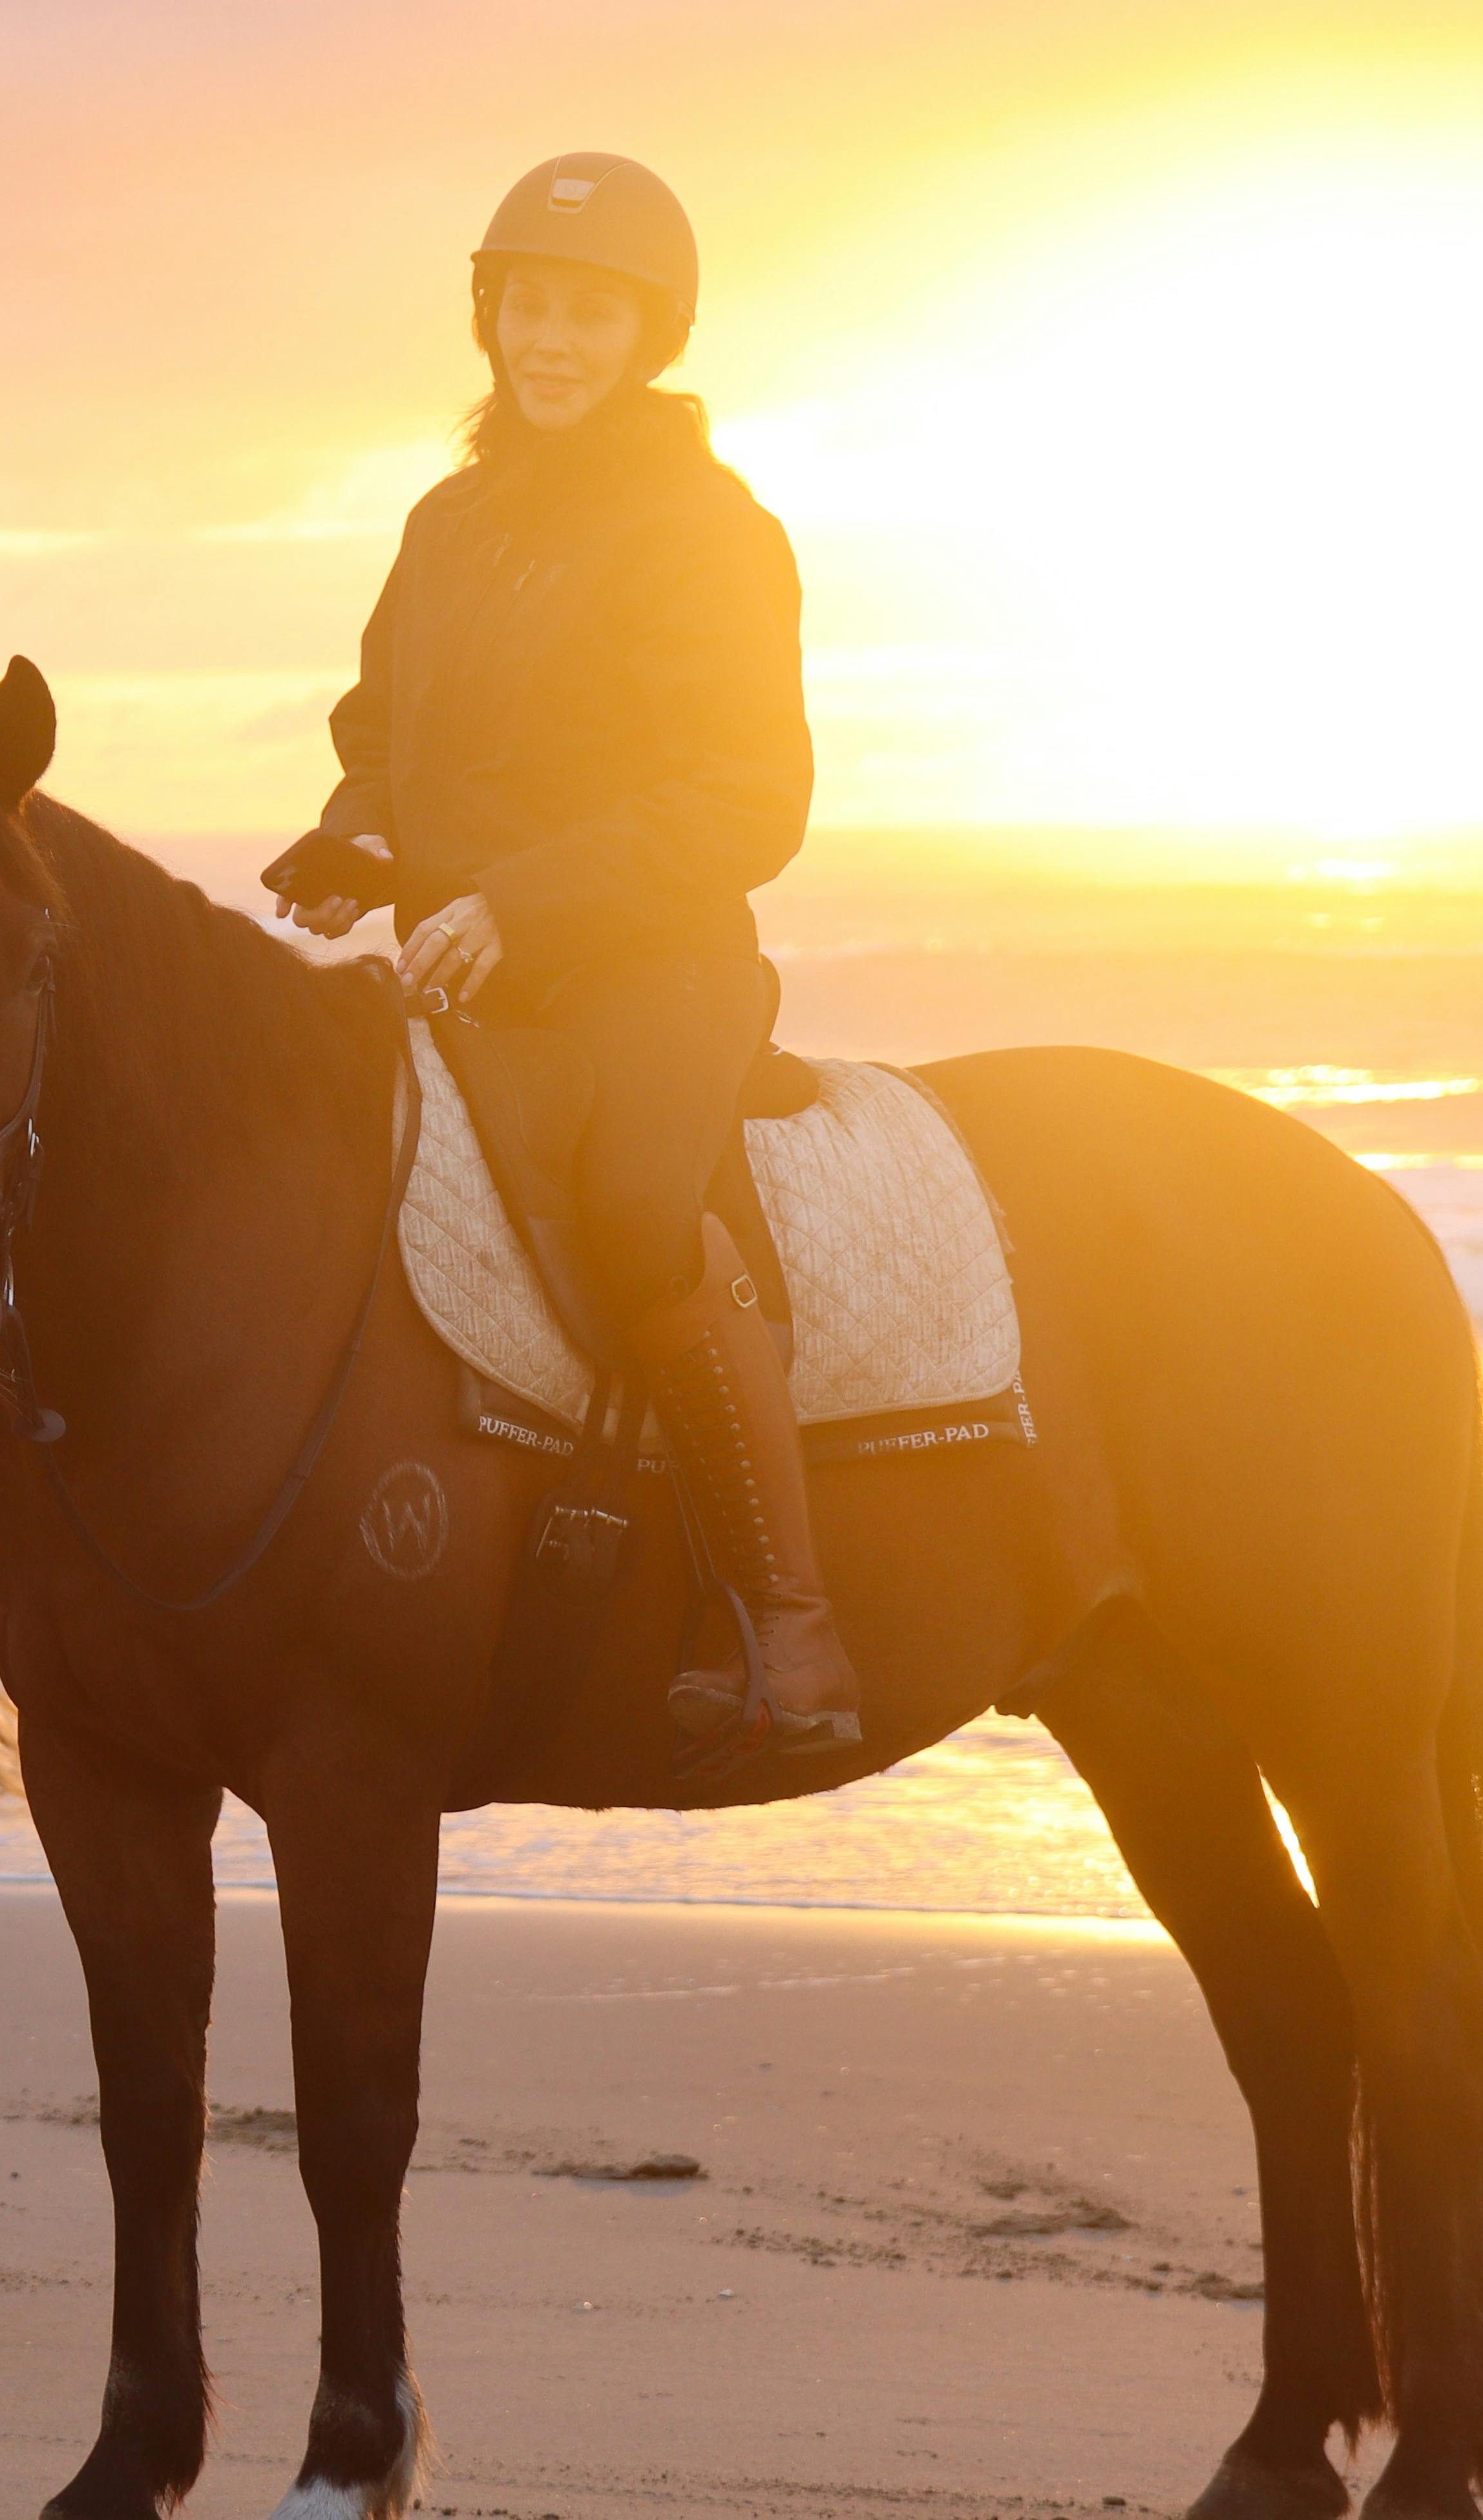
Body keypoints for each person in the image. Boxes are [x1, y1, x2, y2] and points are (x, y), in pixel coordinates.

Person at [272, 152, 858, 1749]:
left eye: (588, 315)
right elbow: (383, 723)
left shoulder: (707, 530)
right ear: (488, 315)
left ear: (645, 334)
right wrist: (365, 839)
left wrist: (519, 900)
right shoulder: (448, 519)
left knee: (629, 1211)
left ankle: (787, 1622)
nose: (549, 339)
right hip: (462, 957)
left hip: (646, 962)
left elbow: (746, 794)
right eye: (526, 305)